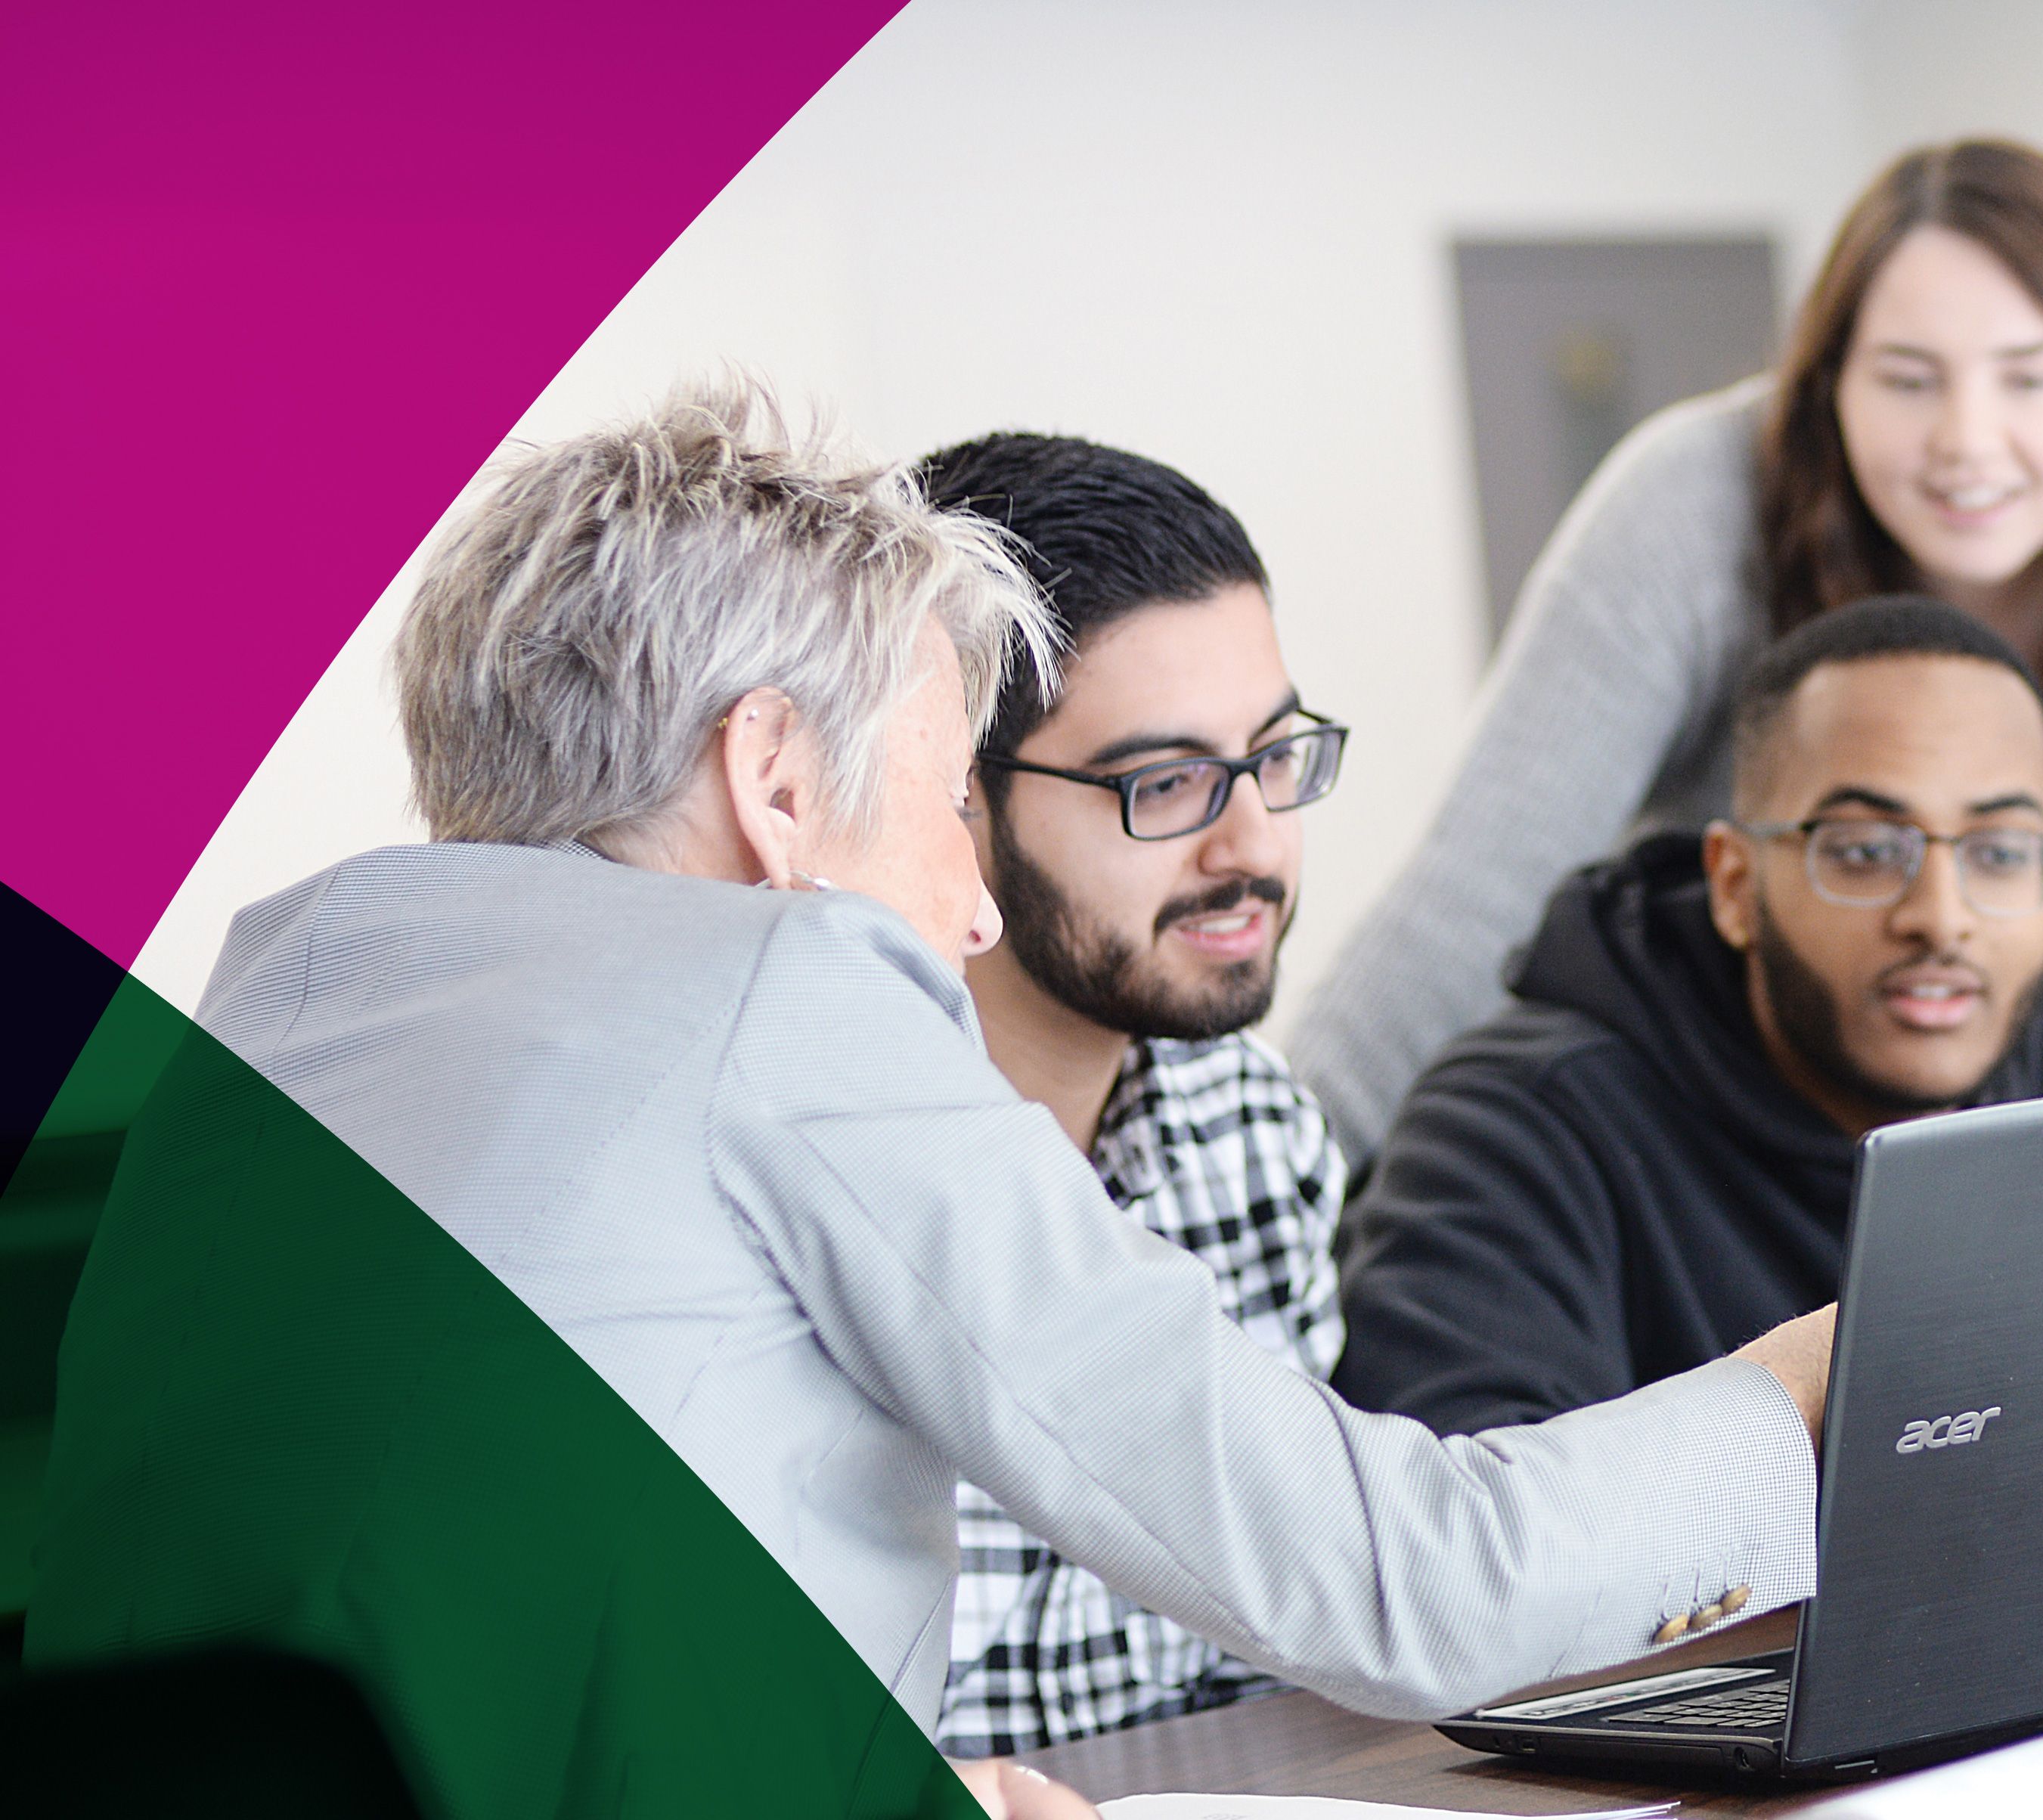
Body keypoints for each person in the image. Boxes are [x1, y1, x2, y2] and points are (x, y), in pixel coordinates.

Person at [25, 383, 1832, 1816]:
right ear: (773, 778)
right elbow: (1397, 1579)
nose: (969, 907)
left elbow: (426, 1640)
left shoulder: (270, 1001)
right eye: (941, 796)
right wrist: (1799, 1397)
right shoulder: (778, 983)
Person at [1287, 138, 2043, 1160]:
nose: (1968, 441)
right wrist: (1259, 1199)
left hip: (1968, 1135)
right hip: (1685, 1124)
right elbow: (1470, 904)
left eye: (2029, 377)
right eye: (1909, 379)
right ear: (1830, 386)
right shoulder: (1692, 506)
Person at [1332, 597, 2043, 1434]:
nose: (1941, 914)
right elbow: (1473, 1550)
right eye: (1863, 851)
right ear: (1736, 886)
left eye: (2001, 853)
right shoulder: (1513, 1131)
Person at [907, 434, 1356, 1752]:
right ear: (955, 804)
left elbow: (1300, 1635)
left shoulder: (1255, 1137)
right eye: (1163, 784)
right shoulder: (807, 1181)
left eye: (1276, 757)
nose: (1253, 843)